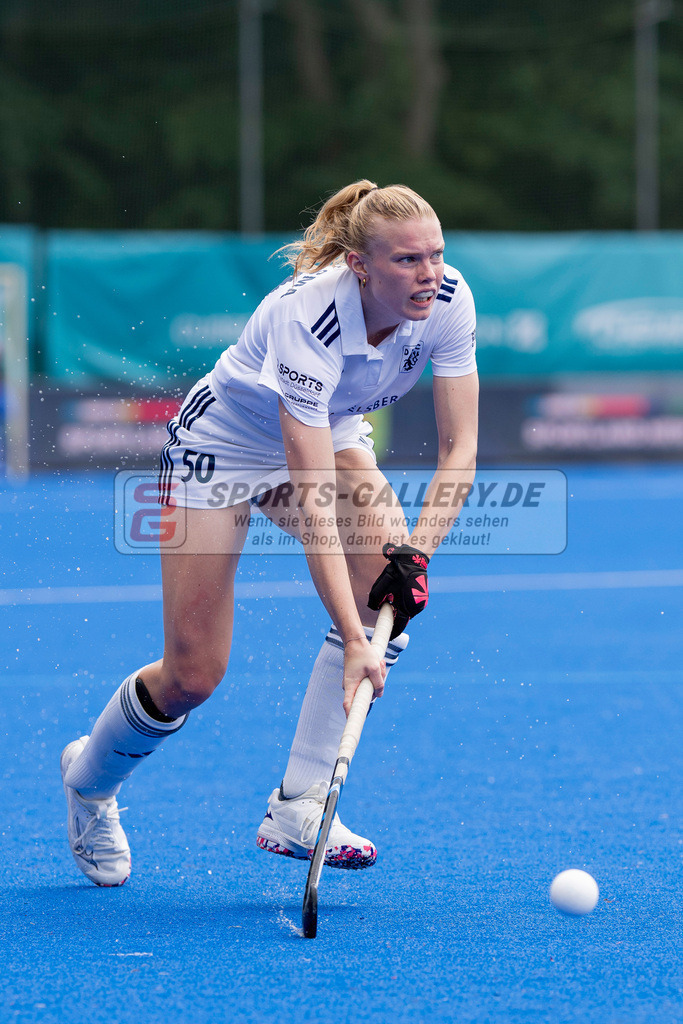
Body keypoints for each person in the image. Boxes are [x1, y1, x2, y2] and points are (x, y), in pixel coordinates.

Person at [60, 180, 479, 887]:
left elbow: (459, 447)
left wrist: (414, 557)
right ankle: (90, 784)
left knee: (388, 591)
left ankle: (299, 805)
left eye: (435, 255)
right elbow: (313, 502)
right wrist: (351, 639)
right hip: (223, 449)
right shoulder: (305, 319)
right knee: (193, 676)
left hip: (333, 433)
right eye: (408, 261)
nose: (428, 273)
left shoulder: (446, 300)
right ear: (359, 266)